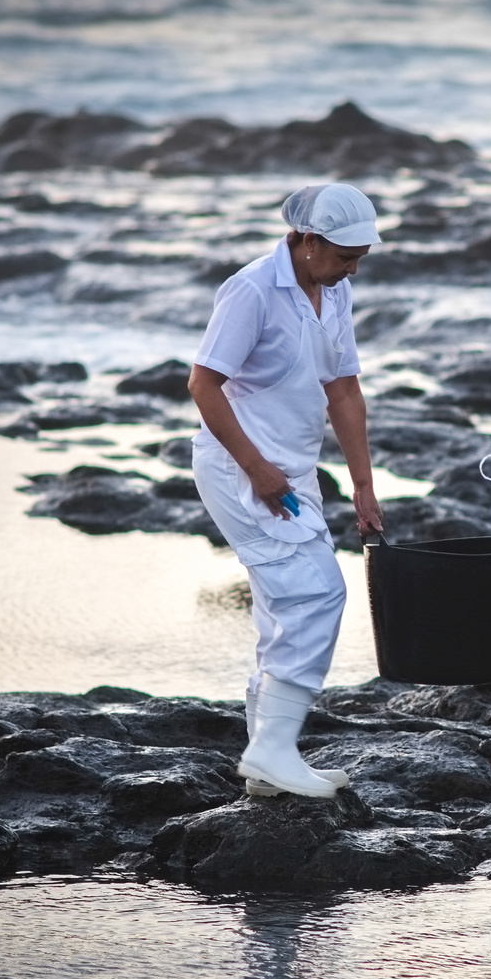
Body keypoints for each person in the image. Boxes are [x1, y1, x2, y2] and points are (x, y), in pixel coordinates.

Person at [188, 183, 385, 799]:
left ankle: (266, 760)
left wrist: (363, 488)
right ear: (306, 240)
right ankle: (272, 750)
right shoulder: (251, 291)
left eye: (360, 257)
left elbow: (345, 390)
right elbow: (203, 385)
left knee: (284, 606)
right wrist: (257, 470)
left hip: (293, 472)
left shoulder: (335, 289)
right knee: (316, 595)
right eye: (344, 255)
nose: (353, 268)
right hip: (240, 470)